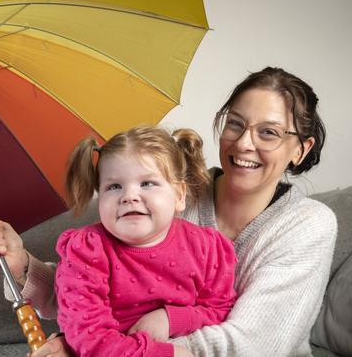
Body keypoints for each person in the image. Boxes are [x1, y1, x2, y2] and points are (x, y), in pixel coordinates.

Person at [0, 67, 337, 357]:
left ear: (300, 150)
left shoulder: (308, 225)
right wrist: (21, 265)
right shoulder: (165, 190)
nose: (244, 143)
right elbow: (93, 291)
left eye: (269, 133)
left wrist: (125, 347)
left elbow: (254, 348)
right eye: (236, 124)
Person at [54, 127, 237, 357]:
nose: (129, 196)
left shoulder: (208, 247)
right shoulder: (86, 250)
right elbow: (90, 338)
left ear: (180, 195)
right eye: (114, 186)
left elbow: (221, 309)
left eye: (147, 183)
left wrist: (171, 319)